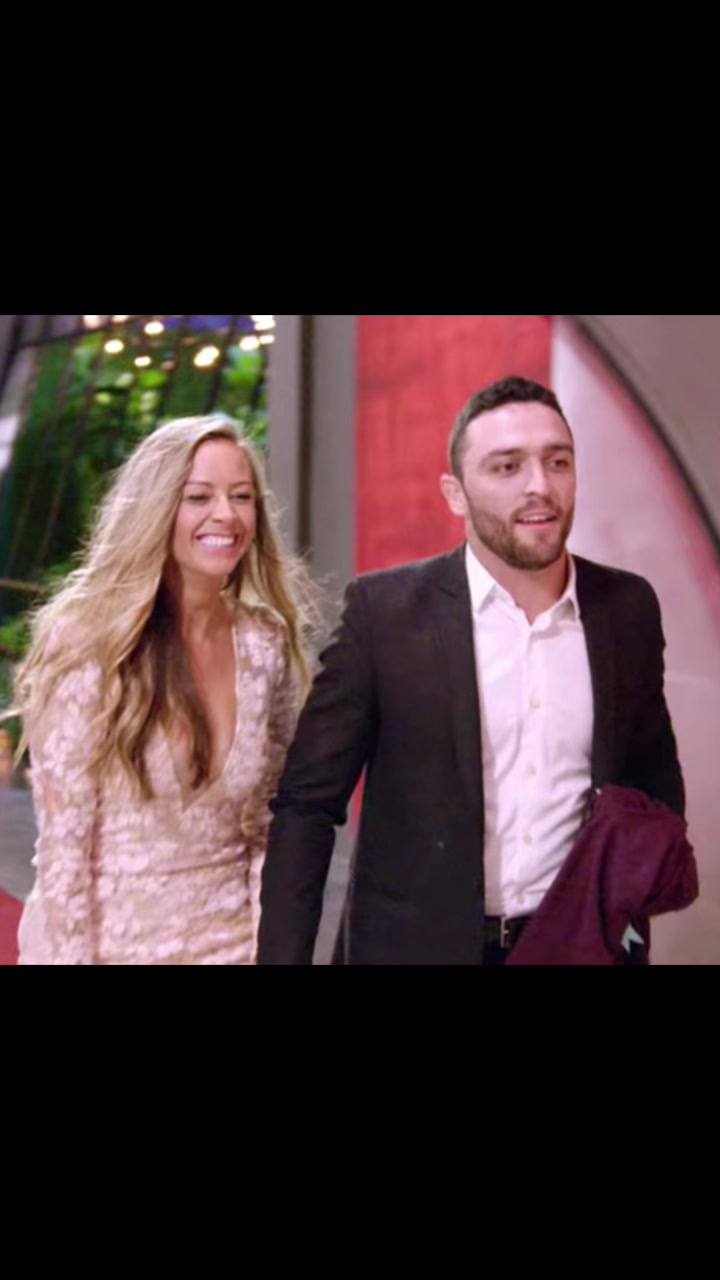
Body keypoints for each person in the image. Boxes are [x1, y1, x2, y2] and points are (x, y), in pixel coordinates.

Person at [257, 376, 686, 966]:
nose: (540, 486)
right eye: (507, 467)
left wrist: (629, 895)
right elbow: (307, 806)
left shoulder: (626, 607)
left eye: (557, 462)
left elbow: (653, 777)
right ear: (455, 493)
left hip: (581, 945)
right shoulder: (384, 614)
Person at [15, 415, 318, 965]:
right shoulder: (90, 640)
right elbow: (64, 853)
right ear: (155, 508)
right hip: (108, 949)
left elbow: (266, 828)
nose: (226, 514)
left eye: (241, 496)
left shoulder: (263, 642)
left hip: (234, 948)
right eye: (199, 497)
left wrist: (268, 948)